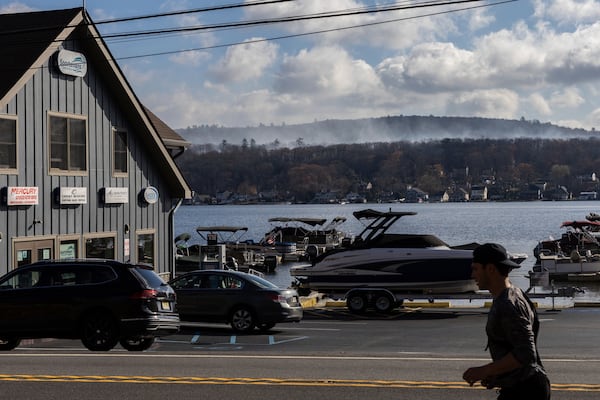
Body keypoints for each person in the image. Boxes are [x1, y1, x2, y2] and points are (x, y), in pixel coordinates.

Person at [462, 243, 551, 400]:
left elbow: (525, 354)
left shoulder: (508, 304)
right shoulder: (513, 293)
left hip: (526, 391)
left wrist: (484, 371)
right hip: (521, 387)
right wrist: (497, 374)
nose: (472, 275)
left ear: (490, 269)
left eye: (475, 269)